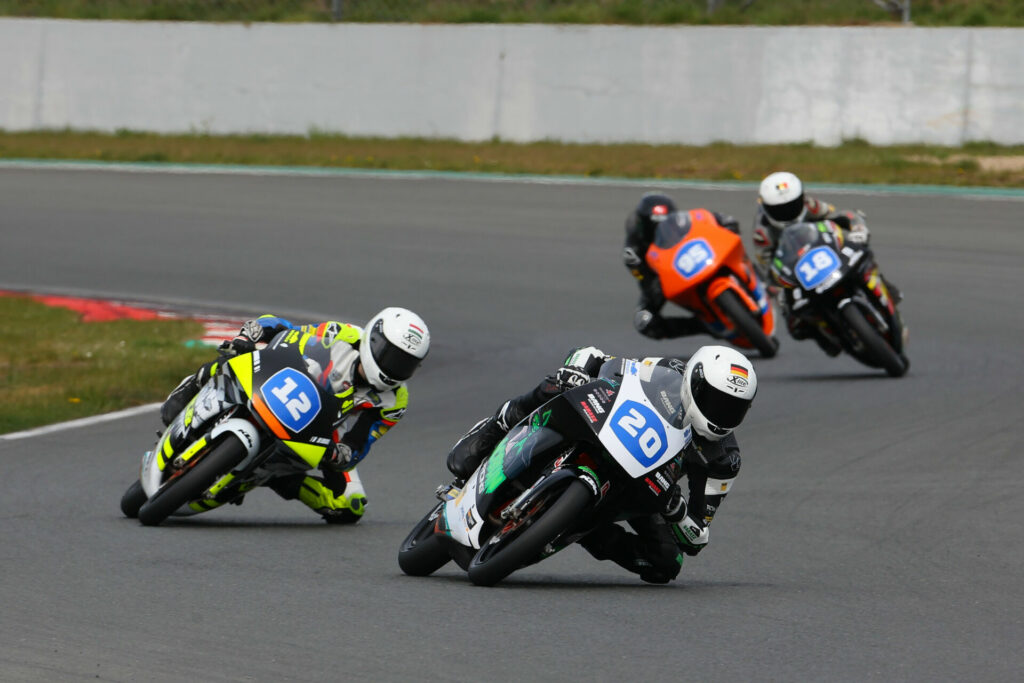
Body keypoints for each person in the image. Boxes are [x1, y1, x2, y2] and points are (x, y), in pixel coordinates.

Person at [447, 344, 756, 584]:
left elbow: (698, 536)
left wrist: (677, 511)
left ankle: (586, 531)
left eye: (734, 409)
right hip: (607, 431)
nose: (723, 416)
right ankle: (497, 426)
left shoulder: (723, 461)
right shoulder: (669, 369)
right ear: (695, 382)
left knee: (667, 563)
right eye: (717, 402)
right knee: (555, 385)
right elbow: (613, 366)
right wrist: (581, 368)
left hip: (646, 488)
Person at [160, 307, 430, 524]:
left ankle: (277, 475)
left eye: (406, 363)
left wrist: (340, 454)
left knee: (350, 506)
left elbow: (360, 442)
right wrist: (248, 337)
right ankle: (194, 385)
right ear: (373, 340)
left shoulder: (395, 401)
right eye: (391, 356)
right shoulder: (342, 334)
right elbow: (283, 329)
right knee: (231, 356)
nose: (395, 368)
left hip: (322, 426)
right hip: (285, 384)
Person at [754, 171, 901, 354]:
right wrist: (779, 290)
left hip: (823, 250)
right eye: (780, 209)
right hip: (796, 270)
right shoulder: (762, 233)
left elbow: (837, 216)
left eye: (792, 206)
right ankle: (820, 332)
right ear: (766, 208)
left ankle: (881, 284)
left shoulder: (809, 205)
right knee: (794, 323)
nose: (787, 212)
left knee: (861, 254)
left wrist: (857, 228)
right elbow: (767, 267)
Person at [622, 193, 742, 340]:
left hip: (693, 255)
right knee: (644, 321)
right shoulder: (633, 250)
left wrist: (724, 222)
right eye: (652, 228)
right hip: (663, 276)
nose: (660, 231)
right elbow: (643, 279)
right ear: (643, 225)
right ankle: (704, 325)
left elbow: (709, 219)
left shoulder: (685, 221)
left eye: (665, 225)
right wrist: (652, 284)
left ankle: (749, 274)